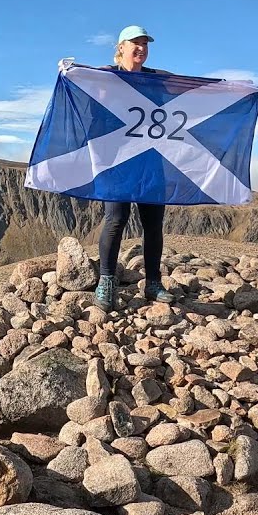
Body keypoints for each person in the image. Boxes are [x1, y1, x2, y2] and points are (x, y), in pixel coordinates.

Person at [94, 25, 174, 311]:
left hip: (151, 160)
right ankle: (106, 281)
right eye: (135, 43)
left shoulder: (156, 81)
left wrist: (225, 89)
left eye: (145, 44)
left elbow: (185, 93)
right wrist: (69, 73)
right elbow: (88, 95)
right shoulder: (105, 76)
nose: (141, 48)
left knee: (153, 224)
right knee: (116, 218)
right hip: (118, 160)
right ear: (121, 47)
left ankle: (153, 282)